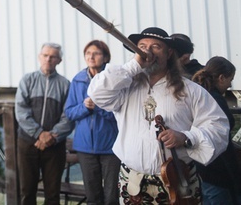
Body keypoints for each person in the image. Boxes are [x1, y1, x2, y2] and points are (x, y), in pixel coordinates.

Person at [88, 27, 229, 204]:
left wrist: (185, 137)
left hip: (178, 182)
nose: (147, 51)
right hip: (132, 182)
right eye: (141, 46)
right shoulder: (123, 87)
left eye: (156, 46)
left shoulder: (191, 91)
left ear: (169, 52)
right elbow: (97, 94)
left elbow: (218, 127)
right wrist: (134, 66)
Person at [15, 43, 74, 205]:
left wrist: (51, 136)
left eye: (53, 56)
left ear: (59, 60)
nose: (48, 59)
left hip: (55, 146)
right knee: (27, 190)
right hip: (28, 143)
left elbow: (68, 116)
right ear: (39, 57)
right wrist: (40, 134)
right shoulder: (28, 80)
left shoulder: (65, 84)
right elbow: (21, 111)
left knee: (53, 193)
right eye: (45, 55)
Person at [64, 40, 120, 205]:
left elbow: (119, 114)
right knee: (92, 196)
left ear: (105, 57)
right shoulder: (78, 80)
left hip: (111, 147)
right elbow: (69, 112)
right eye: (88, 53)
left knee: (111, 196)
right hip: (85, 147)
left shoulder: (113, 79)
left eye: (96, 53)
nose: (91, 57)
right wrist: (85, 107)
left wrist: (98, 106)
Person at [192, 56, 241, 204]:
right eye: (230, 79)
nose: (230, 84)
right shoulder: (215, 99)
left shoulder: (198, 94)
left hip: (203, 167)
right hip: (218, 169)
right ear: (221, 78)